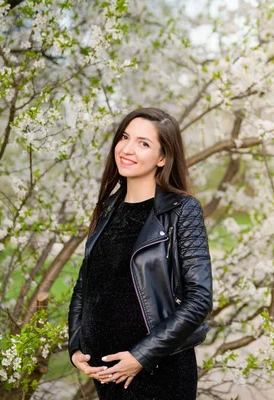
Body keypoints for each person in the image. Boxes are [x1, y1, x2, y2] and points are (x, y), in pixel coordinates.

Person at [67, 107, 213, 399]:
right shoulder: (108, 208)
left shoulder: (182, 210)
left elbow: (199, 299)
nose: (127, 149)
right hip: (107, 376)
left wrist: (141, 357)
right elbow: (87, 285)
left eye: (143, 143)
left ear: (162, 158)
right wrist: (76, 346)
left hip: (159, 373)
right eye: (125, 137)